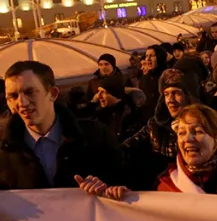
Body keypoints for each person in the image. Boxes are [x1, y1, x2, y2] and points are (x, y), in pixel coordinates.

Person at [0, 61, 125, 190]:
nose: (22, 103)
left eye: (30, 92)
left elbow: (127, 184)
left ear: (52, 94)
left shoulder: (97, 136)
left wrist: (107, 187)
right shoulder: (4, 151)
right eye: (13, 96)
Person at [122, 68, 200, 190]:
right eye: (166, 94)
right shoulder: (155, 125)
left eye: (176, 93)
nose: (170, 100)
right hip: (163, 193)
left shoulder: (205, 127)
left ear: (189, 95)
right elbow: (127, 148)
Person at [94, 74, 143, 142]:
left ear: (114, 94)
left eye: (102, 92)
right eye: (98, 92)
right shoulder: (102, 114)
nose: (98, 96)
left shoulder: (131, 114)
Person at [139, 45, 167, 118]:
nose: (148, 59)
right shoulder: (143, 80)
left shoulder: (168, 76)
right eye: (146, 56)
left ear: (160, 57)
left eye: (152, 56)